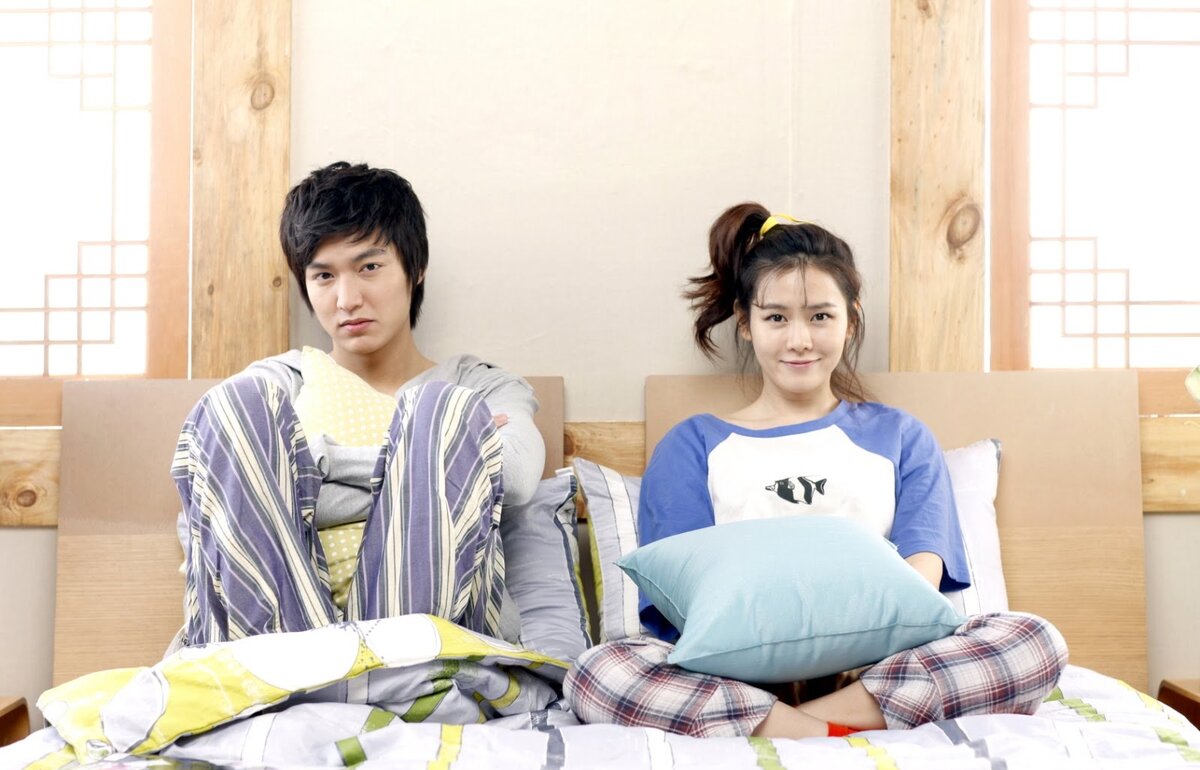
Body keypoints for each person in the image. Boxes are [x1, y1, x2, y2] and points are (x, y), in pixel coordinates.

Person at [563, 203, 1067, 738]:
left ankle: (794, 727)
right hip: (731, 674)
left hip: (877, 670)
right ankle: (828, 728)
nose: (799, 339)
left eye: (820, 316)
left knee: (1033, 642)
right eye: (776, 318)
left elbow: (922, 581)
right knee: (599, 672)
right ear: (746, 323)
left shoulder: (901, 436)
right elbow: (682, 601)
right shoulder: (692, 445)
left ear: (851, 320)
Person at [170, 162, 544, 648]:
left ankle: (376, 668)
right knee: (229, 409)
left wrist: (300, 471)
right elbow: (212, 501)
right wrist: (442, 463)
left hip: (429, 643)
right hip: (284, 643)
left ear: (416, 268)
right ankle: (313, 667)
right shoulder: (278, 384)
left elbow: (515, 478)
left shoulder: (480, 386)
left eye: (369, 267)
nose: (347, 299)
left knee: (444, 411)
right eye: (324, 275)